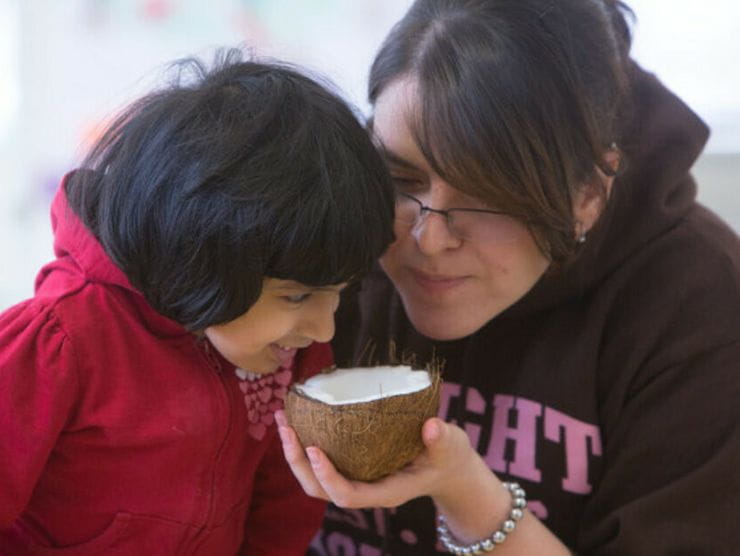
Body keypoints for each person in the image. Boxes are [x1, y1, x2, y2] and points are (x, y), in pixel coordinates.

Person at [276, 0, 740, 554]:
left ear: (587, 196)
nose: (430, 238)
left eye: (485, 199)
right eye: (401, 178)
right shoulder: (324, 228)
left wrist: (469, 496)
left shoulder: (699, 301)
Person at [0, 49, 395, 554]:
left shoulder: (285, 352)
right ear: (201, 259)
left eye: (339, 294)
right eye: (298, 295)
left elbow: (283, 506)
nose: (324, 329)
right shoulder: (61, 340)